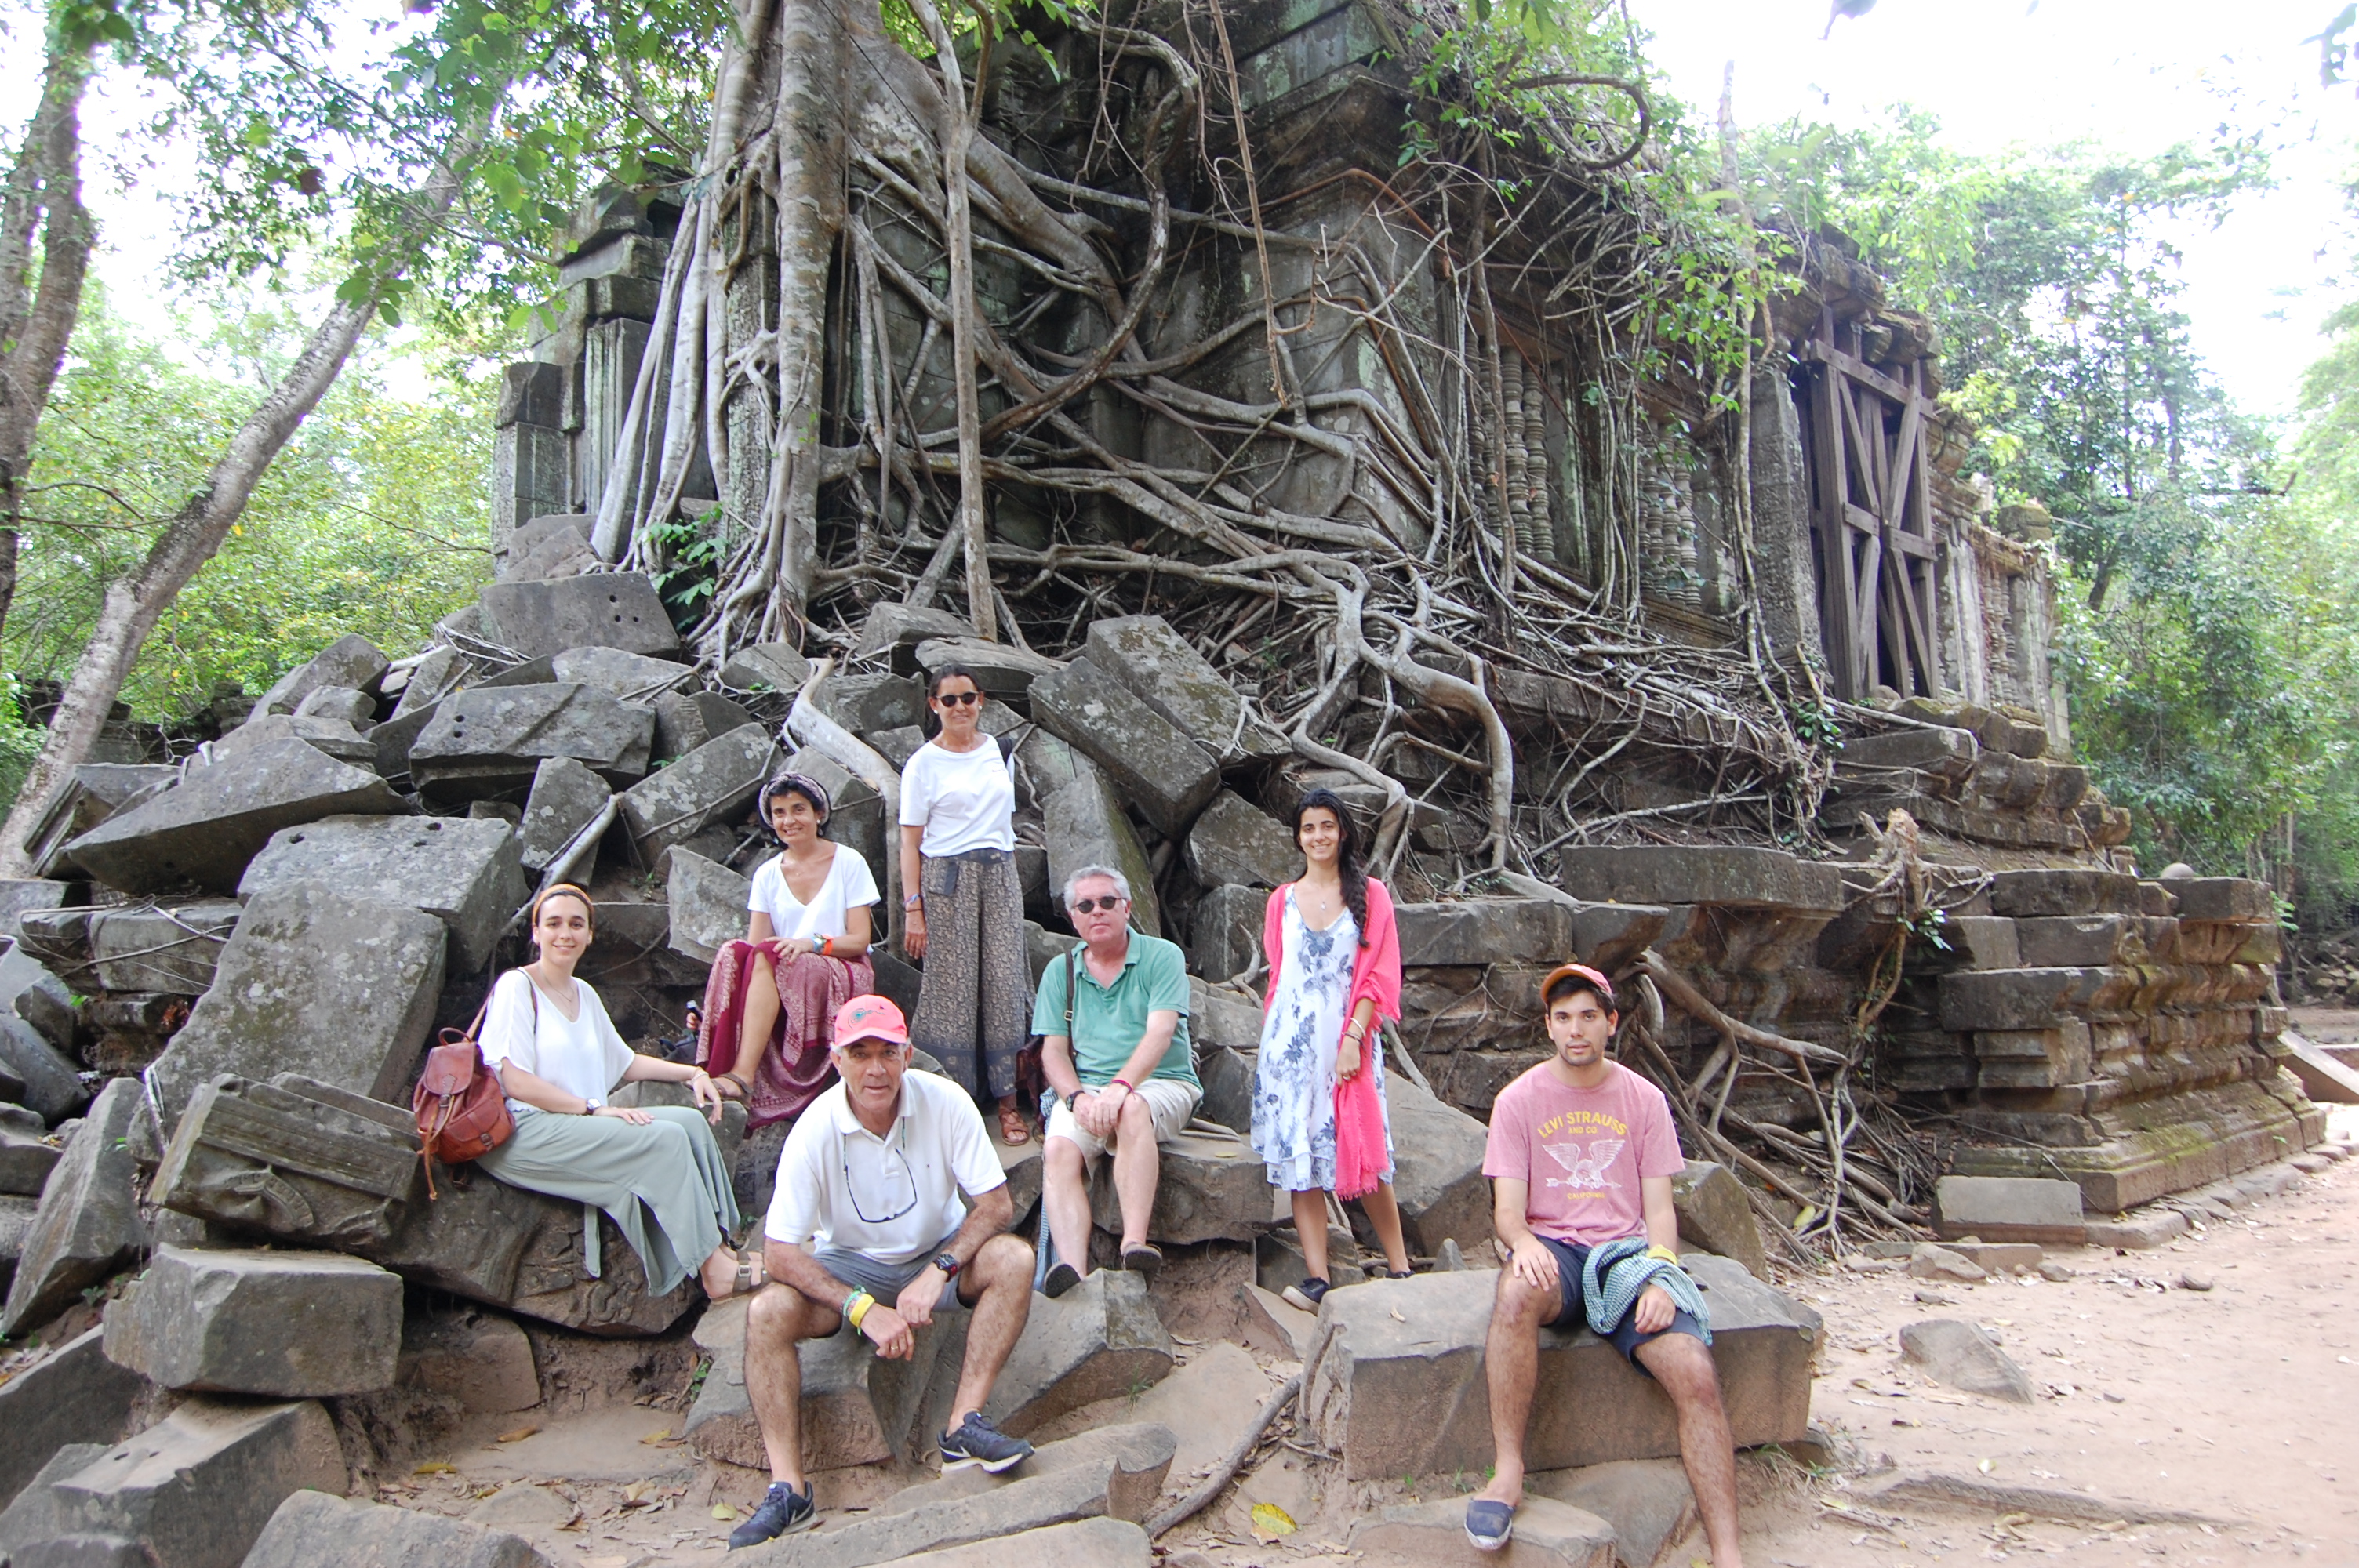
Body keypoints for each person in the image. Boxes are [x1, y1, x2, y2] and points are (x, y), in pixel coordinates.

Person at [729, 995, 1038, 1548]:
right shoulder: (815, 1127)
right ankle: (788, 1488)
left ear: (908, 1054)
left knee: (1014, 1258)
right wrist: (862, 1309)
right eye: (860, 1053)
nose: (876, 1069)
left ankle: (962, 1425)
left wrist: (940, 1270)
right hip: (849, 1264)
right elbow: (779, 1252)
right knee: (768, 1311)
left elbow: (995, 1205)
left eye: (888, 1053)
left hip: (936, 1252)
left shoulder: (945, 1102)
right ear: (837, 1060)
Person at [1465, 964, 1737, 1563]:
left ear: (1611, 1023)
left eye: (1588, 1016)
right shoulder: (1518, 1101)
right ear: (1549, 1027)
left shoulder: (1643, 1100)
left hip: (1624, 1255)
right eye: (1563, 1018)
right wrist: (1526, 1244)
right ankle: (1508, 1472)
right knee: (1513, 1295)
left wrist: (1662, 1272)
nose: (1576, 1030)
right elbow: (1507, 1210)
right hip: (1555, 1253)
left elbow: (1660, 1211)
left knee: (1693, 1369)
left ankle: (1727, 1551)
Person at [476, 884, 754, 1301]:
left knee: (690, 1123)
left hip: (573, 1122)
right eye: (553, 924)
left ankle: (723, 1246)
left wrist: (693, 1074)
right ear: (536, 933)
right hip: (523, 1130)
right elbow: (514, 1081)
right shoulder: (517, 987)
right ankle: (712, 1272)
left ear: (590, 935)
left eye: (576, 924)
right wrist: (591, 1110)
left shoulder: (584, 994)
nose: (564, 934)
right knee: (664, 1138)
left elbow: (624, 1063)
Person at [1253, 789, 1414, 1311]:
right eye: (1308, 828)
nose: (1318, 836)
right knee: (1303, 1159)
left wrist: (1353, 1040)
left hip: (1347, 1043)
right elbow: (1280, 977)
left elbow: (1380, 975)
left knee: (1363, 1150)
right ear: (1298, 837)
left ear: (1342, 831)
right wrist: (1274, 1051)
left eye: (1327, 826)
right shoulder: (1281, 900)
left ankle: (1401, 1266)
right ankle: (1318, 1277)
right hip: (1290, 1049)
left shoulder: (1370, 894)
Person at [1034, 865, 1200, 1296]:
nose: (1097, 911)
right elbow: (1052, 1051)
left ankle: (1134, 1243)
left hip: (1160, 1082)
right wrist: (1074, 1099)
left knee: (1132, 1109)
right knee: (1058, 1148)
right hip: (1087, 1087)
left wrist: (1121, 1087)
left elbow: (1161, 1033)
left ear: (1127, 907)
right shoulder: (1061, 971)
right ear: (1073, 918)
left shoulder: (1162, 956)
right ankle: (1071, 1268)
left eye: (1108, 901)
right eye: (1085, 905)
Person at [700, 771, 879, 1128]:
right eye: (779, 812)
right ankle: (715, 1066)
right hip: (783, 966)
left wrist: (811, 943)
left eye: (798, 810)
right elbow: (751, 949)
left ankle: (743, 1075)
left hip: (840, 964)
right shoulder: (767, 874)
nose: (789, 820)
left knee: (769, 954)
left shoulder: (849, 862)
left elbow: (859, 940)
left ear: (818, 815)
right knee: (732, 953)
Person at [899, 665, 1030, 1146]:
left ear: (981, 701)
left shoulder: (998, 751)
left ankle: (1009, 1100)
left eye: (968, 698)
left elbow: (1003, 821)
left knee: (1004, 979)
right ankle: (952, 1102)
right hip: (946, 879)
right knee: (951, 988)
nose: (960, 708)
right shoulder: (923, 764)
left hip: (999, 873)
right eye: (949, 700)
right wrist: (914, 909)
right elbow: (909, 840)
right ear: (933, 705)